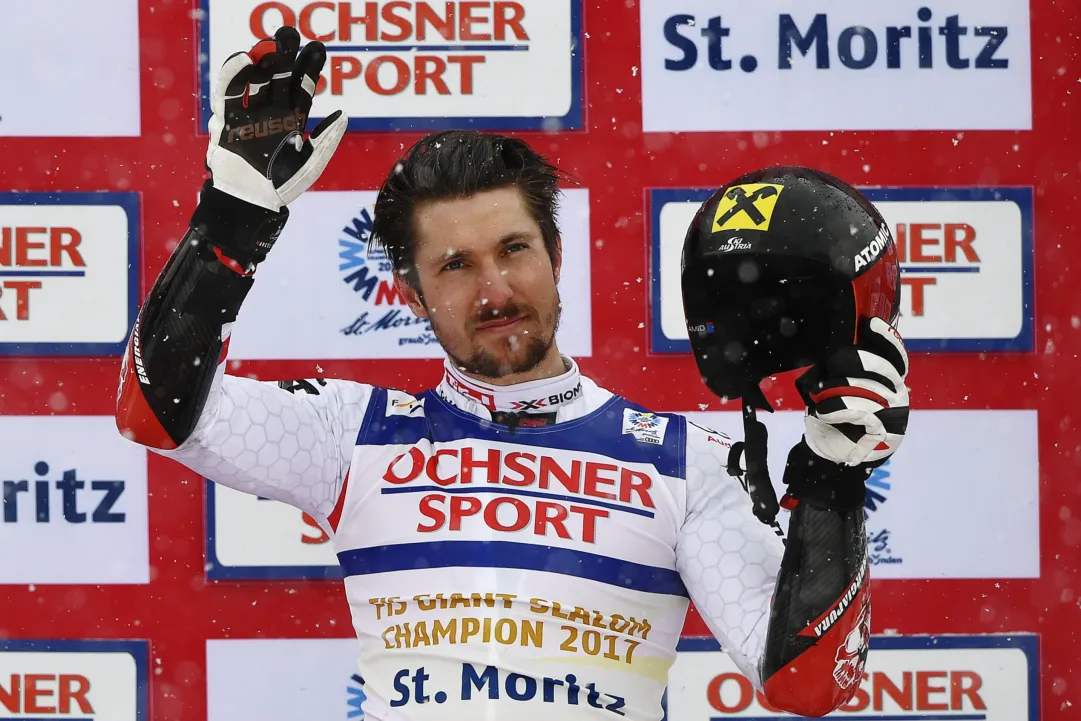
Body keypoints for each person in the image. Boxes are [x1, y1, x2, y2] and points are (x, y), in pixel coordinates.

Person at [115, 27, 910, 721]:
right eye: (455, 265)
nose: (494, 290)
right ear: (412, 294)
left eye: (514, 250)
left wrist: (834, 484)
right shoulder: (350, 435)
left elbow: (808, 685)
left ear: (556, 256)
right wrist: (234, 213)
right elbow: (157, 410)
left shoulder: (687, 462)